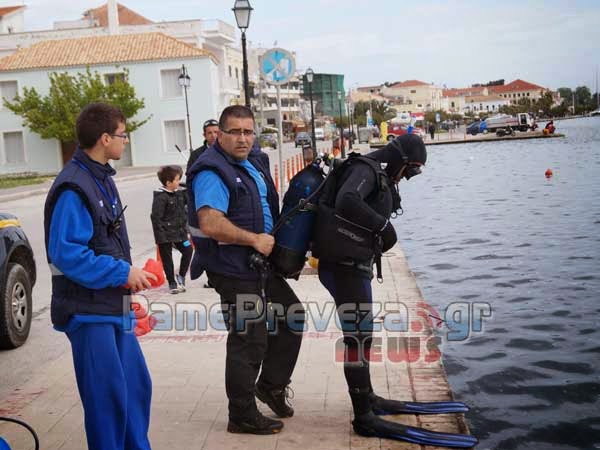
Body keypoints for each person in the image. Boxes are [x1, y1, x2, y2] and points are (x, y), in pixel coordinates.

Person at [312, 135, 477, 448]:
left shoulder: (379, 172)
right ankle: (363, 417)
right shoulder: (365, 168)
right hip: (341, 266)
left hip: (352, 265)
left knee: (362, 337)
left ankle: (368, 397)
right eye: (412, 169)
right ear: (400, 157)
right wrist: (383, 227)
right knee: (357, 338)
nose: (409, 176)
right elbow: (348, 199)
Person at [186, 105, 305, 435]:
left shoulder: (250, 162)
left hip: (259, 266)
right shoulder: (212, 170)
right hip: (232, 268)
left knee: (291, 316)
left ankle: (270, 386)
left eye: (248, 132)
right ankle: (241, 414)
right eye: (235, 132)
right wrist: (254, 240)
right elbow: (211, 222)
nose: (242, 138)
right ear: (219, 134)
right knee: (249, 338)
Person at [43, 102, 156, 450]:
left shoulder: (100, 176)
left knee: (136, 389)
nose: (126, 141)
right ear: (105, 138)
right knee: (107, 402)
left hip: (110, 306)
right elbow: (68, 254)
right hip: (87, 312)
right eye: (123, 135)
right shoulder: (74, 186)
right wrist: (123, 272)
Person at [150, 165, 192, 294]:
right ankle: (172, 282)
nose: (179, 182)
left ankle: (181, 276)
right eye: (177, 180)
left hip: (180, 233)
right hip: (165, 235)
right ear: (168, 183)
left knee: (188, 250)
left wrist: (187, 186)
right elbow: (156, 218)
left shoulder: (179, 193)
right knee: (167, 259)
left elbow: (190, 198)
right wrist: (161, 237)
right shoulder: (160, 197)